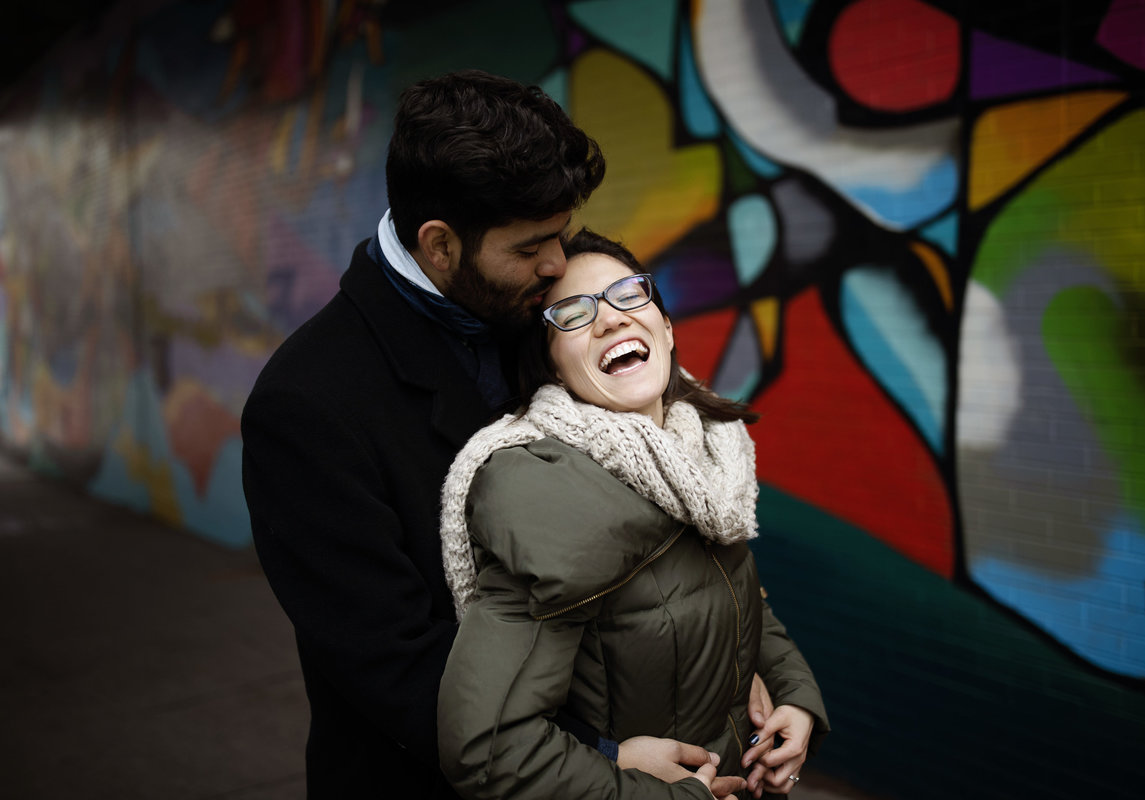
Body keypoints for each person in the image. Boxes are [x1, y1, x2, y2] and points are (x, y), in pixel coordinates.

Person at [242, 71, 783, 798]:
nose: (558, 266)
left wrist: (732, 660)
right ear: (439, 246)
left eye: (560, 235)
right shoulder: (306, 404)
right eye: (532, 247)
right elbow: (392, 662)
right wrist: (598, 756)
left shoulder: (536, 308)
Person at [437, 229, 831, 800]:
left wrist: (794, 695)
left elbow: (735, 601)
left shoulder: (708, 454)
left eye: (628, 294)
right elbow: (489, 749)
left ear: (666, 327)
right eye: (572, 313)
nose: (612, 318)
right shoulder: (549, 494)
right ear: (549, 364)